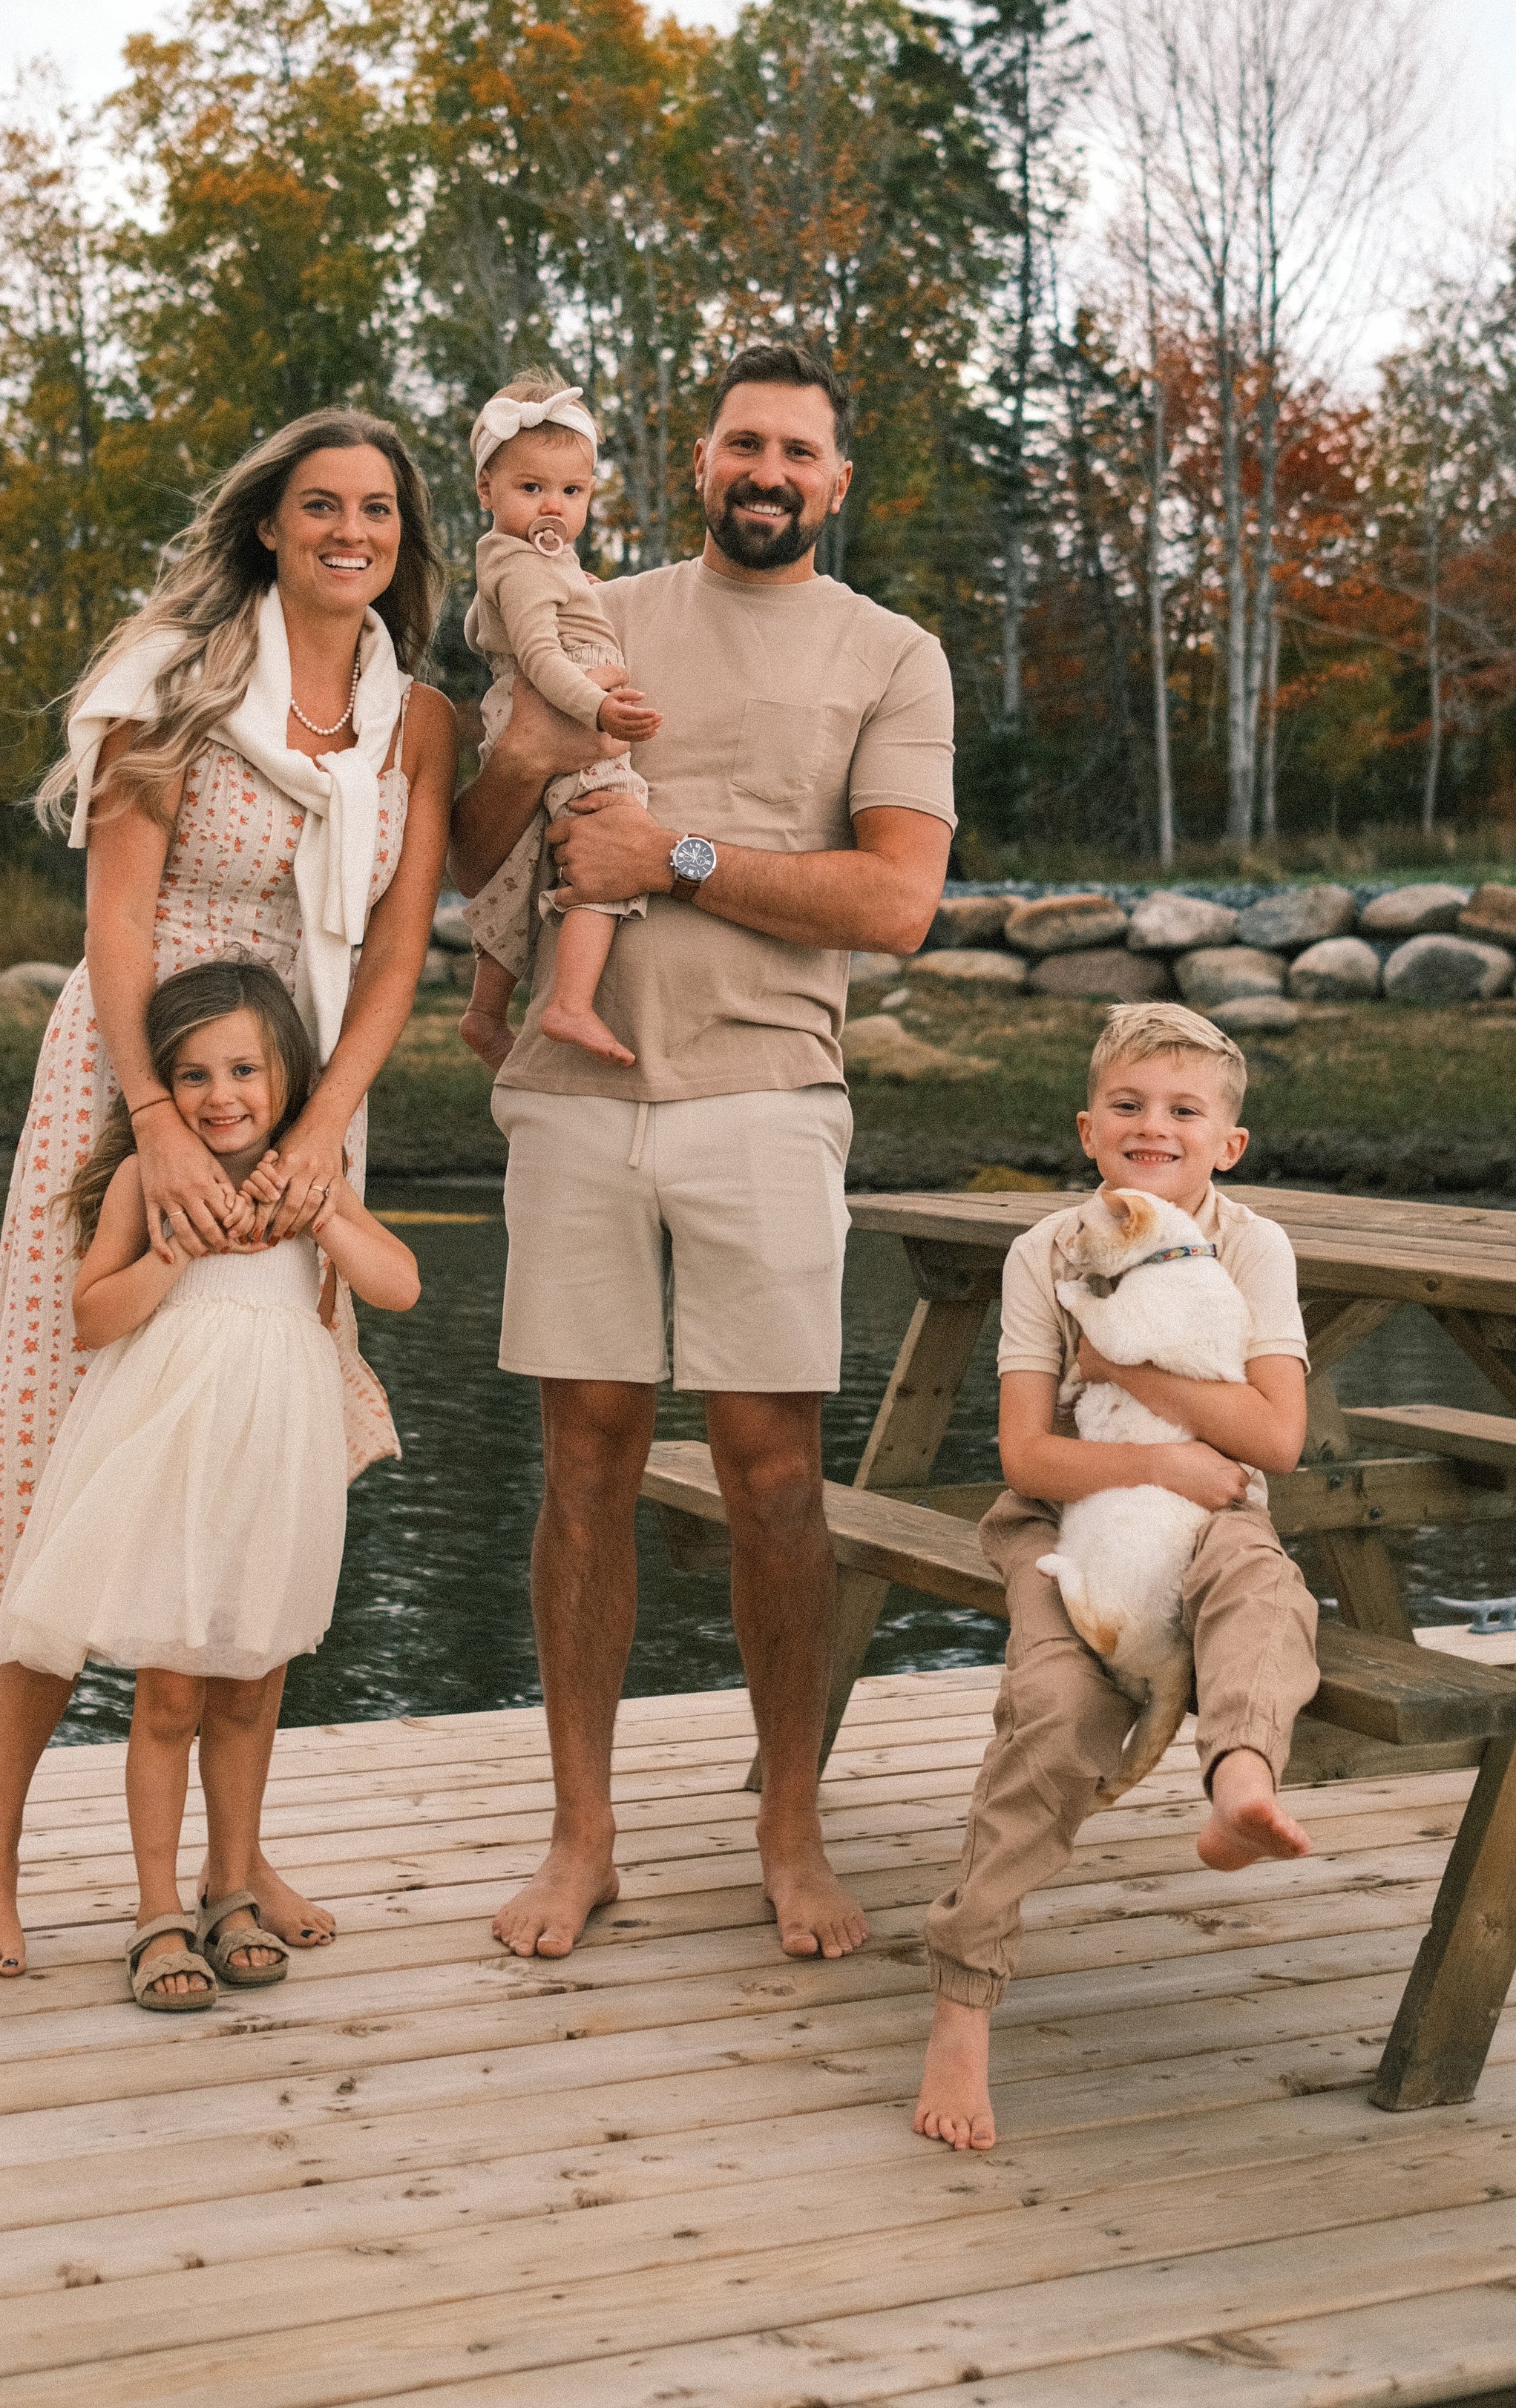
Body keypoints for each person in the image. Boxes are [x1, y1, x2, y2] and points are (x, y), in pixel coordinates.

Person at [449, 340, 955, 1963]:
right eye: (745, 444)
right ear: (699, 459)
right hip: (574, 1098)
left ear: (835, 481)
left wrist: (671, 852)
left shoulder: (892, 655)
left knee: (773, 1477)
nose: (768, 473)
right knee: (584, 1464)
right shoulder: (583, 603)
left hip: (764, 1096)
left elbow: (891, 902)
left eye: (798, 453)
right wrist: (528, 756)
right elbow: (469, 858)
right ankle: (580, 1836)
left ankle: (787, 1836)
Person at [0, 409, 457, 1981]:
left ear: (400, 539)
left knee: (263, 1461)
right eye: (319, 506)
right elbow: (117, 916)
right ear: (268, 527)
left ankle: (235, 1856)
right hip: (131, 1082)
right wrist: (154, 1122)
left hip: (299, 1099)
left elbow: (392, 953)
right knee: (57, 1451)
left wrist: (327, 1133)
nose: (347, 531)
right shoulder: (173, 684)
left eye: (375, 509)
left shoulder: (417, 725)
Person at [913, 1002, 1319, 2153]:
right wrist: (1151, 1456)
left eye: (1184, 1110)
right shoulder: (1047, 1251)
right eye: (1131, 1106)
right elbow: (1026, 1455)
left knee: (1265, 1593)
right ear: (1088, 1129)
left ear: (1226, 1143)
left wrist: (1127, 1372)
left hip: (1221, 1494)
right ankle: (964, 1994)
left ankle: (1238, 1777)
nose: (1156, 1126)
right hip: (1072, 1511)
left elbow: (1276, 1442)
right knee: (1051, 1709)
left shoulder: (1253, 1244)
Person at [0, 958, 419, 2009]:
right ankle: (155, 1908)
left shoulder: (311, 1177)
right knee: (171, 1687)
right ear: (162, 1089)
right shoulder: (151, 1178)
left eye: (243, 1069)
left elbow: (400, 1284)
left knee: (254, 1678)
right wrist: (171, 1255)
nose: (220, 1095)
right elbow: (93, 1316)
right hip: (175, 1455)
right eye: (191, 1074)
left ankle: (232, 1886)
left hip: (278, 1460)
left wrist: (325, 1217)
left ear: (287, 1076)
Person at [457, 369, 660, 1073]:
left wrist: (578, 593)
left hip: (536, 714)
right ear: (487, 490)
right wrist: (598, 707)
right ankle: (570, 1000)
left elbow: (490, 625)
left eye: (571, 492)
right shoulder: (524, 569)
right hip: (573, 725)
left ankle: (484, 1014)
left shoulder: (524, 565)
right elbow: (543, 657)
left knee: (521, 865)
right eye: (531, 488)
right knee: (614, 838)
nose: (553, 506)